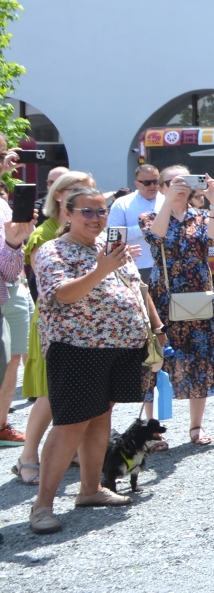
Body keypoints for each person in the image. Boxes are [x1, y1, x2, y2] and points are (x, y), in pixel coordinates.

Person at [27, 184, 161, 535]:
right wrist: (101, 269)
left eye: (102, 211)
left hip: (120, 347)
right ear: (66, 213)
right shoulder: (51, 251)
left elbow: (136, 289)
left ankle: (90, 490)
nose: (96, 217)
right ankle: (42, 506)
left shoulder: (111, 248)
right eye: (87, 211)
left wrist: (156, 327)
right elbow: (62, 295)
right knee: (71, 423)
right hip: (76, 349)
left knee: (102, 416)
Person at [14, 170, 95, 487]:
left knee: (80, 392)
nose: (85, 195)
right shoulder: (44, 233)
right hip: (54, 323)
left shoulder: (87, 229)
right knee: (50, 393)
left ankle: (71, 450)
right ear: (58, 195)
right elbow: (47, 288)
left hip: (87, 322)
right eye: (77, 190)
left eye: (88, 189)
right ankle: (27, 457)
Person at [142, 165, 214, 446]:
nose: (179, 186)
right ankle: (151, 431)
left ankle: (196, 426)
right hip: (164, 294)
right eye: (172, 182)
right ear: (162, 187)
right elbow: (156, 237)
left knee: (200, 356)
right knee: (157, 360)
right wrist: (169, 202)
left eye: (184, 181)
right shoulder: (150, 215)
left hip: (198, 294)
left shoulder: (201, 216)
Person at [0, 152, 32, 448]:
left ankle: (1, 424)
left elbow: (9, 265)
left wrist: (15, 241)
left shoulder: (2, 200)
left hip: (12, 287)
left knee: (13, 359)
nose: (5, 160)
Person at [109, 163, 164, 284]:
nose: (153, 186)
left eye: (155, 181)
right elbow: (113, 237)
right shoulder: (122, 203)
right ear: (137, 184)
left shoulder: (167, 200)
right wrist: (144, 229)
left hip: (166, 265)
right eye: (147, 183)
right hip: (136, 265)